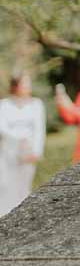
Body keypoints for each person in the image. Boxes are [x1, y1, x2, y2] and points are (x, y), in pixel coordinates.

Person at [0, 73, 46, 214]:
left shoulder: (37, 104)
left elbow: (39, 129)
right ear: (15, 86)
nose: (28, 86)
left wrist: (37, 152)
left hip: (28, 152)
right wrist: (20, 139)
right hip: (8, 153)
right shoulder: (5, 105)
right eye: (24, 83)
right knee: (5, 186)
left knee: (23, 186)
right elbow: (2, 128)